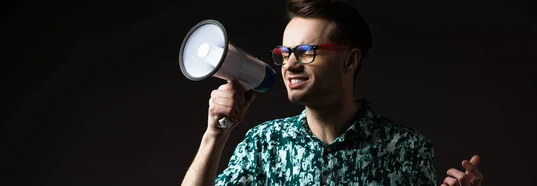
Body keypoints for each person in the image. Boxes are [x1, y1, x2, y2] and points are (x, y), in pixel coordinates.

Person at [180, 0, 484, 185]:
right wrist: (214, 135)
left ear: (350, 60)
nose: (290, 65)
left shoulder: (406, 148)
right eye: (285, 53)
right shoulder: (265, 145)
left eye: (307, 52)